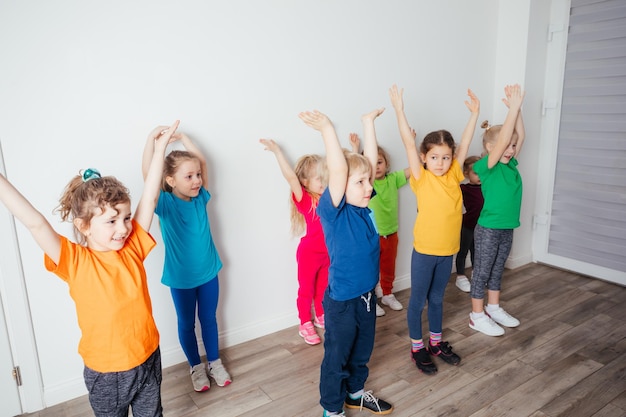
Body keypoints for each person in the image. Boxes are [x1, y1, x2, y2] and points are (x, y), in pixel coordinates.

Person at [0, 120, 180, 416]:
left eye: (124, 218)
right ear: (84, 226)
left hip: (148, 357)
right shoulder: (74, 261)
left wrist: (159, 149)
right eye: (111, 221)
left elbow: (150, 196)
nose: (123, 228)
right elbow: (35, 222)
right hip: (106, 374)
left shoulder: (133, 246)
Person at [299, 108, 393, 416]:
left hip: (367, 297)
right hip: (341, 302)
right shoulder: (334, 211)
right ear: (337, 188)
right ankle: (332, 408)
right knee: (336, 357)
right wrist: (328, 129)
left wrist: (368, 125)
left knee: (362, 351)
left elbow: (366, 162)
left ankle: (355, 393)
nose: (369, 187)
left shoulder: (362, 206)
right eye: (361, 183)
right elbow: (340, 172)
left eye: (369, 181)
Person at [389, 84, 479, 376]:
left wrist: (474, 115)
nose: (440, 163)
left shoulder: (454, 173)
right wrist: (399, 110)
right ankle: (417, 347)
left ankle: (436, 344)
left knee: (438, 299)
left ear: (451, 158)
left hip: (447, 251)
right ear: (424, 158)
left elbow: (464, 145)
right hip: (425, 252)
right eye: (434, 157)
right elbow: (406, 142)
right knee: (418, 301)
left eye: (445, 157)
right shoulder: (420, 177)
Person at [142, 130, 232, 392]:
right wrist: (152, 142)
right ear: (170, 180)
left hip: (208, 273)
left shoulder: (200, 198)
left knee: (209, 318)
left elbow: (203, 162)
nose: (196, 180)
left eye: (197, 176)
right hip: (181, 278)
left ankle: (214, 362)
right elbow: (149, 175)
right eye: (189, 176)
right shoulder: (165, 204)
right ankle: (196, 366)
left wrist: (185, 140)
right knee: (186, 323)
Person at [468, 84, 526, 337]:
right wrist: (511, 110)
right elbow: (504, 139)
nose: (511, 149)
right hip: (489, 229)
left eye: (512, 147)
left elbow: (519, 136)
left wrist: (518, 109)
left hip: (506, 228)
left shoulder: (510, 163)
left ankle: (493, 308)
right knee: (481, 272)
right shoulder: (486, 166)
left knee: (497, 269)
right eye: (506, 146)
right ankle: (476, 315)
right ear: (491, 148)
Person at [259, 138, 329, 345]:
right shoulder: (305, 199)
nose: (323, 182)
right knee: (306, 289)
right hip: (309, 254)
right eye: (319, 178)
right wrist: (277, 151)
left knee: (323, 288)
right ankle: (304, 323)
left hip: (328, 254)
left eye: (325, 177)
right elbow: (290, 177)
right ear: (305, 182)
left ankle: (321, 315)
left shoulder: (329, 198)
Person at [349, 134, 409, 317]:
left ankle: (388, 294)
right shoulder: (369, 184)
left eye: (380, 162)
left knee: (389, 267)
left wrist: (411, 145)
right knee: (371, 269)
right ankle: (372, 298)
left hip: (391, 233)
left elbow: (413, 170)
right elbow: (353, 171)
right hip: (372, 236)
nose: (377, 166)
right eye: (373, 164)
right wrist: (355, 149)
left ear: (386, 164)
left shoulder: (393, 179)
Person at [454, 155, 484, 292]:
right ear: (466, 174)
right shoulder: (463, 189)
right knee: (463, 251)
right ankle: (460, 276)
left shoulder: (486, 187)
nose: (480, 176)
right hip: (466, 226)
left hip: (482, 227)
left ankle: (475, 273)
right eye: (476, 173)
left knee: (477, 252)